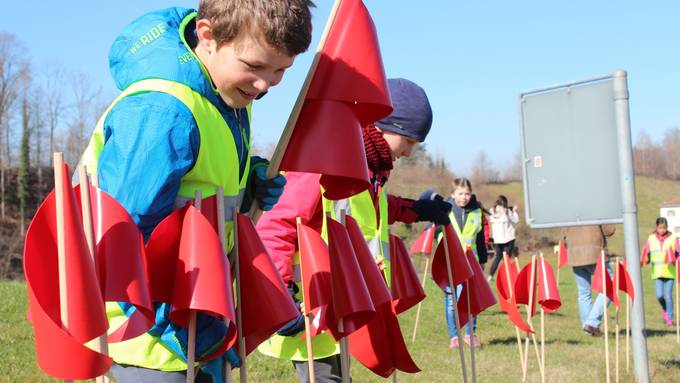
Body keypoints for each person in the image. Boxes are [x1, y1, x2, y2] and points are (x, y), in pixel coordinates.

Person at [78, 1, 314, 381]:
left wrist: (249, 177)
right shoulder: (162, 111)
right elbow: (123, 242)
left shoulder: (227, 91)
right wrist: (183, 326)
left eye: (280, 71)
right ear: (207, 36)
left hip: (200, 310)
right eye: (255, 67)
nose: (265, 85)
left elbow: (202, 176)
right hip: (150, 332)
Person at [256, 78, 451, 382]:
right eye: (410, 141)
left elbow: (369, 214)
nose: (411, 152)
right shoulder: (326, 158)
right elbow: (276, 223)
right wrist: (278, 294)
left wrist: (416, 210)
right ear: (386, 126)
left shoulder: (370, 168)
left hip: (344, 299)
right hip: (309, 300)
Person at [444, 178, 488, 348]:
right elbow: (435, 234)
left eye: (467, 193)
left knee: (470, 299)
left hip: (470, 262)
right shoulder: (445, 210)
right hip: (449, 260)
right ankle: (454, 336)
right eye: (460, 193)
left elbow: (480, 240)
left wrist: (483, 260)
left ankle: (470, 334)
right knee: (450, 300)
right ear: (453, 194)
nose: (464, 197)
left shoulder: (477, 212)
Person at [562, 224, 616, 336]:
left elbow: (563, 235)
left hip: (575, 255)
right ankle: (592, 323)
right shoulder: (596, 207)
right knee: (610, 286)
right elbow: (609, 230)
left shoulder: (568, 209)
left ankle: (588, 329)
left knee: (583, 293)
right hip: (595, 253)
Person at [641, 217, 679, 326]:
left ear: (667, 228)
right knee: (659, 295)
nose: (662, 230)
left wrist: (676, 260)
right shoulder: (651, 238)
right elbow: (646, 253)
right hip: (657, 273)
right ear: (656, 227)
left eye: (664, 228)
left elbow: (678, 253)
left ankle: (669, 319)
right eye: (660, 228)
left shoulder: (673, 238)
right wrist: (644, 260)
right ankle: (665, 309)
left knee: (668, 296)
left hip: (669, 272)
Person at [487, 195, 519, 279]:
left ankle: (490, 276)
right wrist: (514, 211)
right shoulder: (507, 211)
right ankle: (506, 277)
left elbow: (492, 218)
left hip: (498, 239)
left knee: (498, 257)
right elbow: (515, 220)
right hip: (508, 238)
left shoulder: (491, 211)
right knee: (506, 259)